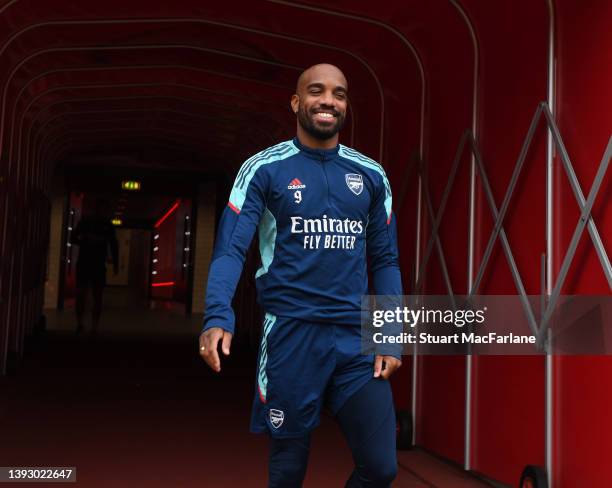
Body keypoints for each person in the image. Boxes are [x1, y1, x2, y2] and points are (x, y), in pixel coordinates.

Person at [199, 63, 403, 487]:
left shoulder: (371, 175)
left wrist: (390, 334)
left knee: (381, 467)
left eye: (339, 94)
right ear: (296, 102)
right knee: (288, 471)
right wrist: (218, 315)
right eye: (317, 91)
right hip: (291, 336)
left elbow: (385, 262)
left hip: (354, 342)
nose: (328, 101)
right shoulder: (264, 169)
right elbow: (232, 248)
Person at [71, 197, 118, 336]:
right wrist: (86, 240)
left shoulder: (106, 225)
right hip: (87, 263)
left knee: (96, 296)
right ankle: (82, 324)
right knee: (82, 295)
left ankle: (92, 326)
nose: (103, 212)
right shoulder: (88, 223)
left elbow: (114, 245)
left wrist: (115, 263)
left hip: (93, 264)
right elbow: (73, 238)